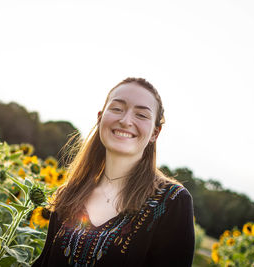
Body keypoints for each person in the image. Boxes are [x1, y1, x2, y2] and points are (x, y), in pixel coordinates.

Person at [32, 77, 195, 267]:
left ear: (155, 133)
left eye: (141, 115)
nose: (125, 121)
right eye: (117, 109)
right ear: (100, 117)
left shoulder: (172, 202)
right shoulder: (70, 194)